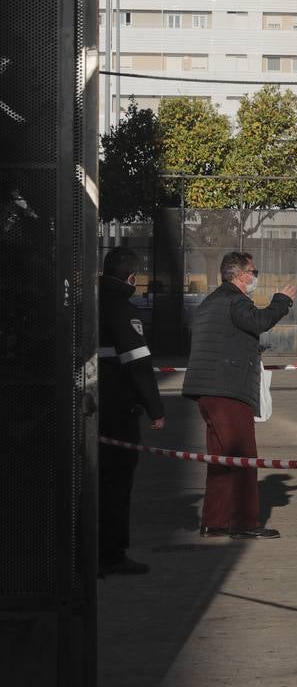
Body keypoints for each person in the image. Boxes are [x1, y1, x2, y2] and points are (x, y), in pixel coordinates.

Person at [183, 252, 295, 539]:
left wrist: (247, 349)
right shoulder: (235, 299)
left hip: (207, 390)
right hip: (228, 390)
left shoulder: (211, 302)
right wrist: (282, 300)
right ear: (242, 274)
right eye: (253, 272)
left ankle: (214, 521)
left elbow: (227, 338)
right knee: (244, 457)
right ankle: (245, 523)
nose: (255, 277)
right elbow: (259, 321)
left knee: (221, 460)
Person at [97, 247, 166, 576]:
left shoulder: (88, 304)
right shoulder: (124, 311)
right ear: (132, 277)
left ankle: (83, 551)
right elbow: (139, 366)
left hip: (88, 408)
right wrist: (155, 408)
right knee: (116, 483)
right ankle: (111, 553)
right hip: (116, 412)